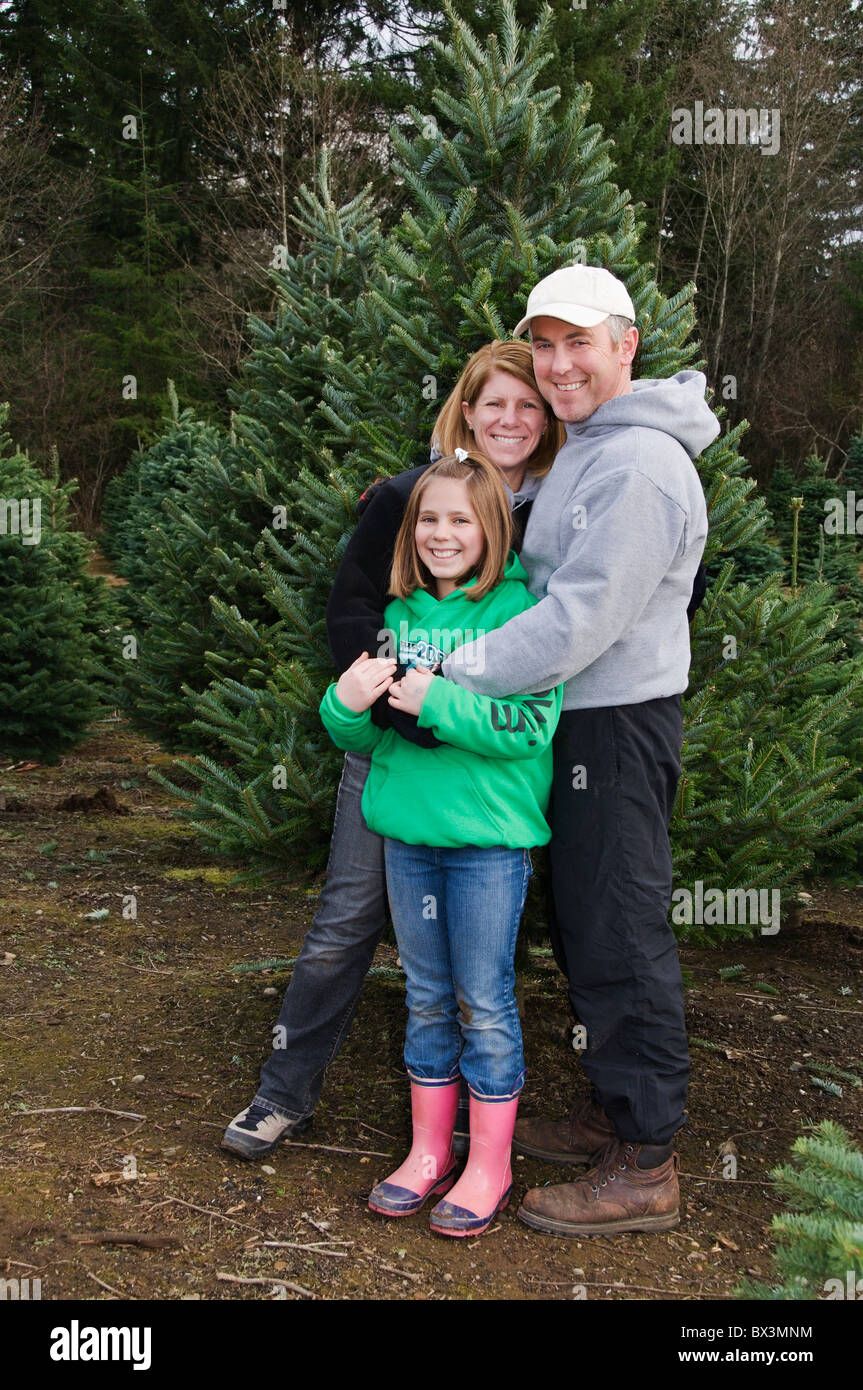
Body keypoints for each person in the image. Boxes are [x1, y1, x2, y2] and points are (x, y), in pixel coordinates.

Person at [221, 341, 564, 1160]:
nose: (510, 420)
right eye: (494, 404)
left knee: (477, 966)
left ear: (548, 420)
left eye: (529, 406)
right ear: (465, 411)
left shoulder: (560, 505)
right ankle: (283, 1093)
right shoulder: (411, 496)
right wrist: (401, 708)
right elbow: (353, 609)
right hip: (391, 749)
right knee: (345, 923)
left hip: (487, 776)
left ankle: (467, 1125)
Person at [440, 265, 720, 1236]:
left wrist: (451, 673)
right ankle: (613, 1109)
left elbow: (578, 615)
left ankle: (645, 1161)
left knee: (618, 925)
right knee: (583, 918)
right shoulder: (596, 447)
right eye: (543, 344)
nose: (557, 365)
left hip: (613, 720)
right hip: (577, 718)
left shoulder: (637, 463)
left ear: (625, 347)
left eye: (578, 344)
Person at [319, 452, 563, 1235]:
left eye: (460, 519)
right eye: (428, 519)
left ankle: (488, 1163)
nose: (441, 534)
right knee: (424, 996)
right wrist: (343, 704)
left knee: (481, 1002)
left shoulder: (521, 620)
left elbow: (529, 728)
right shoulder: (396, 618)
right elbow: (365, 735)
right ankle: (427, 1152)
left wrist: (441, 702)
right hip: (408, 841)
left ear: (492, 528)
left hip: (487, 846)